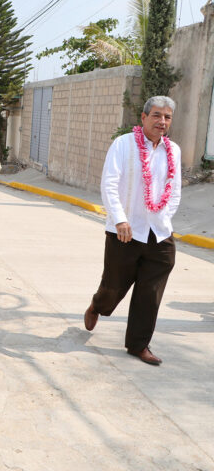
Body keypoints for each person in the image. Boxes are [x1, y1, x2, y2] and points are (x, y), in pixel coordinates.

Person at [84, 96, 181, 366]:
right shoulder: (123, 145)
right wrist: (119, 219)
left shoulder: (174, 151)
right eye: (157, 115)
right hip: (125, 231)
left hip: (159, 233)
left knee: (150, 293)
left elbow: (174, 192)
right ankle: (97, 306)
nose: (162, 122)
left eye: (168, 117)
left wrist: (164, 217)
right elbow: (109, 183)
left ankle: (139, 345)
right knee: (114, 286)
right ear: (143, 117)